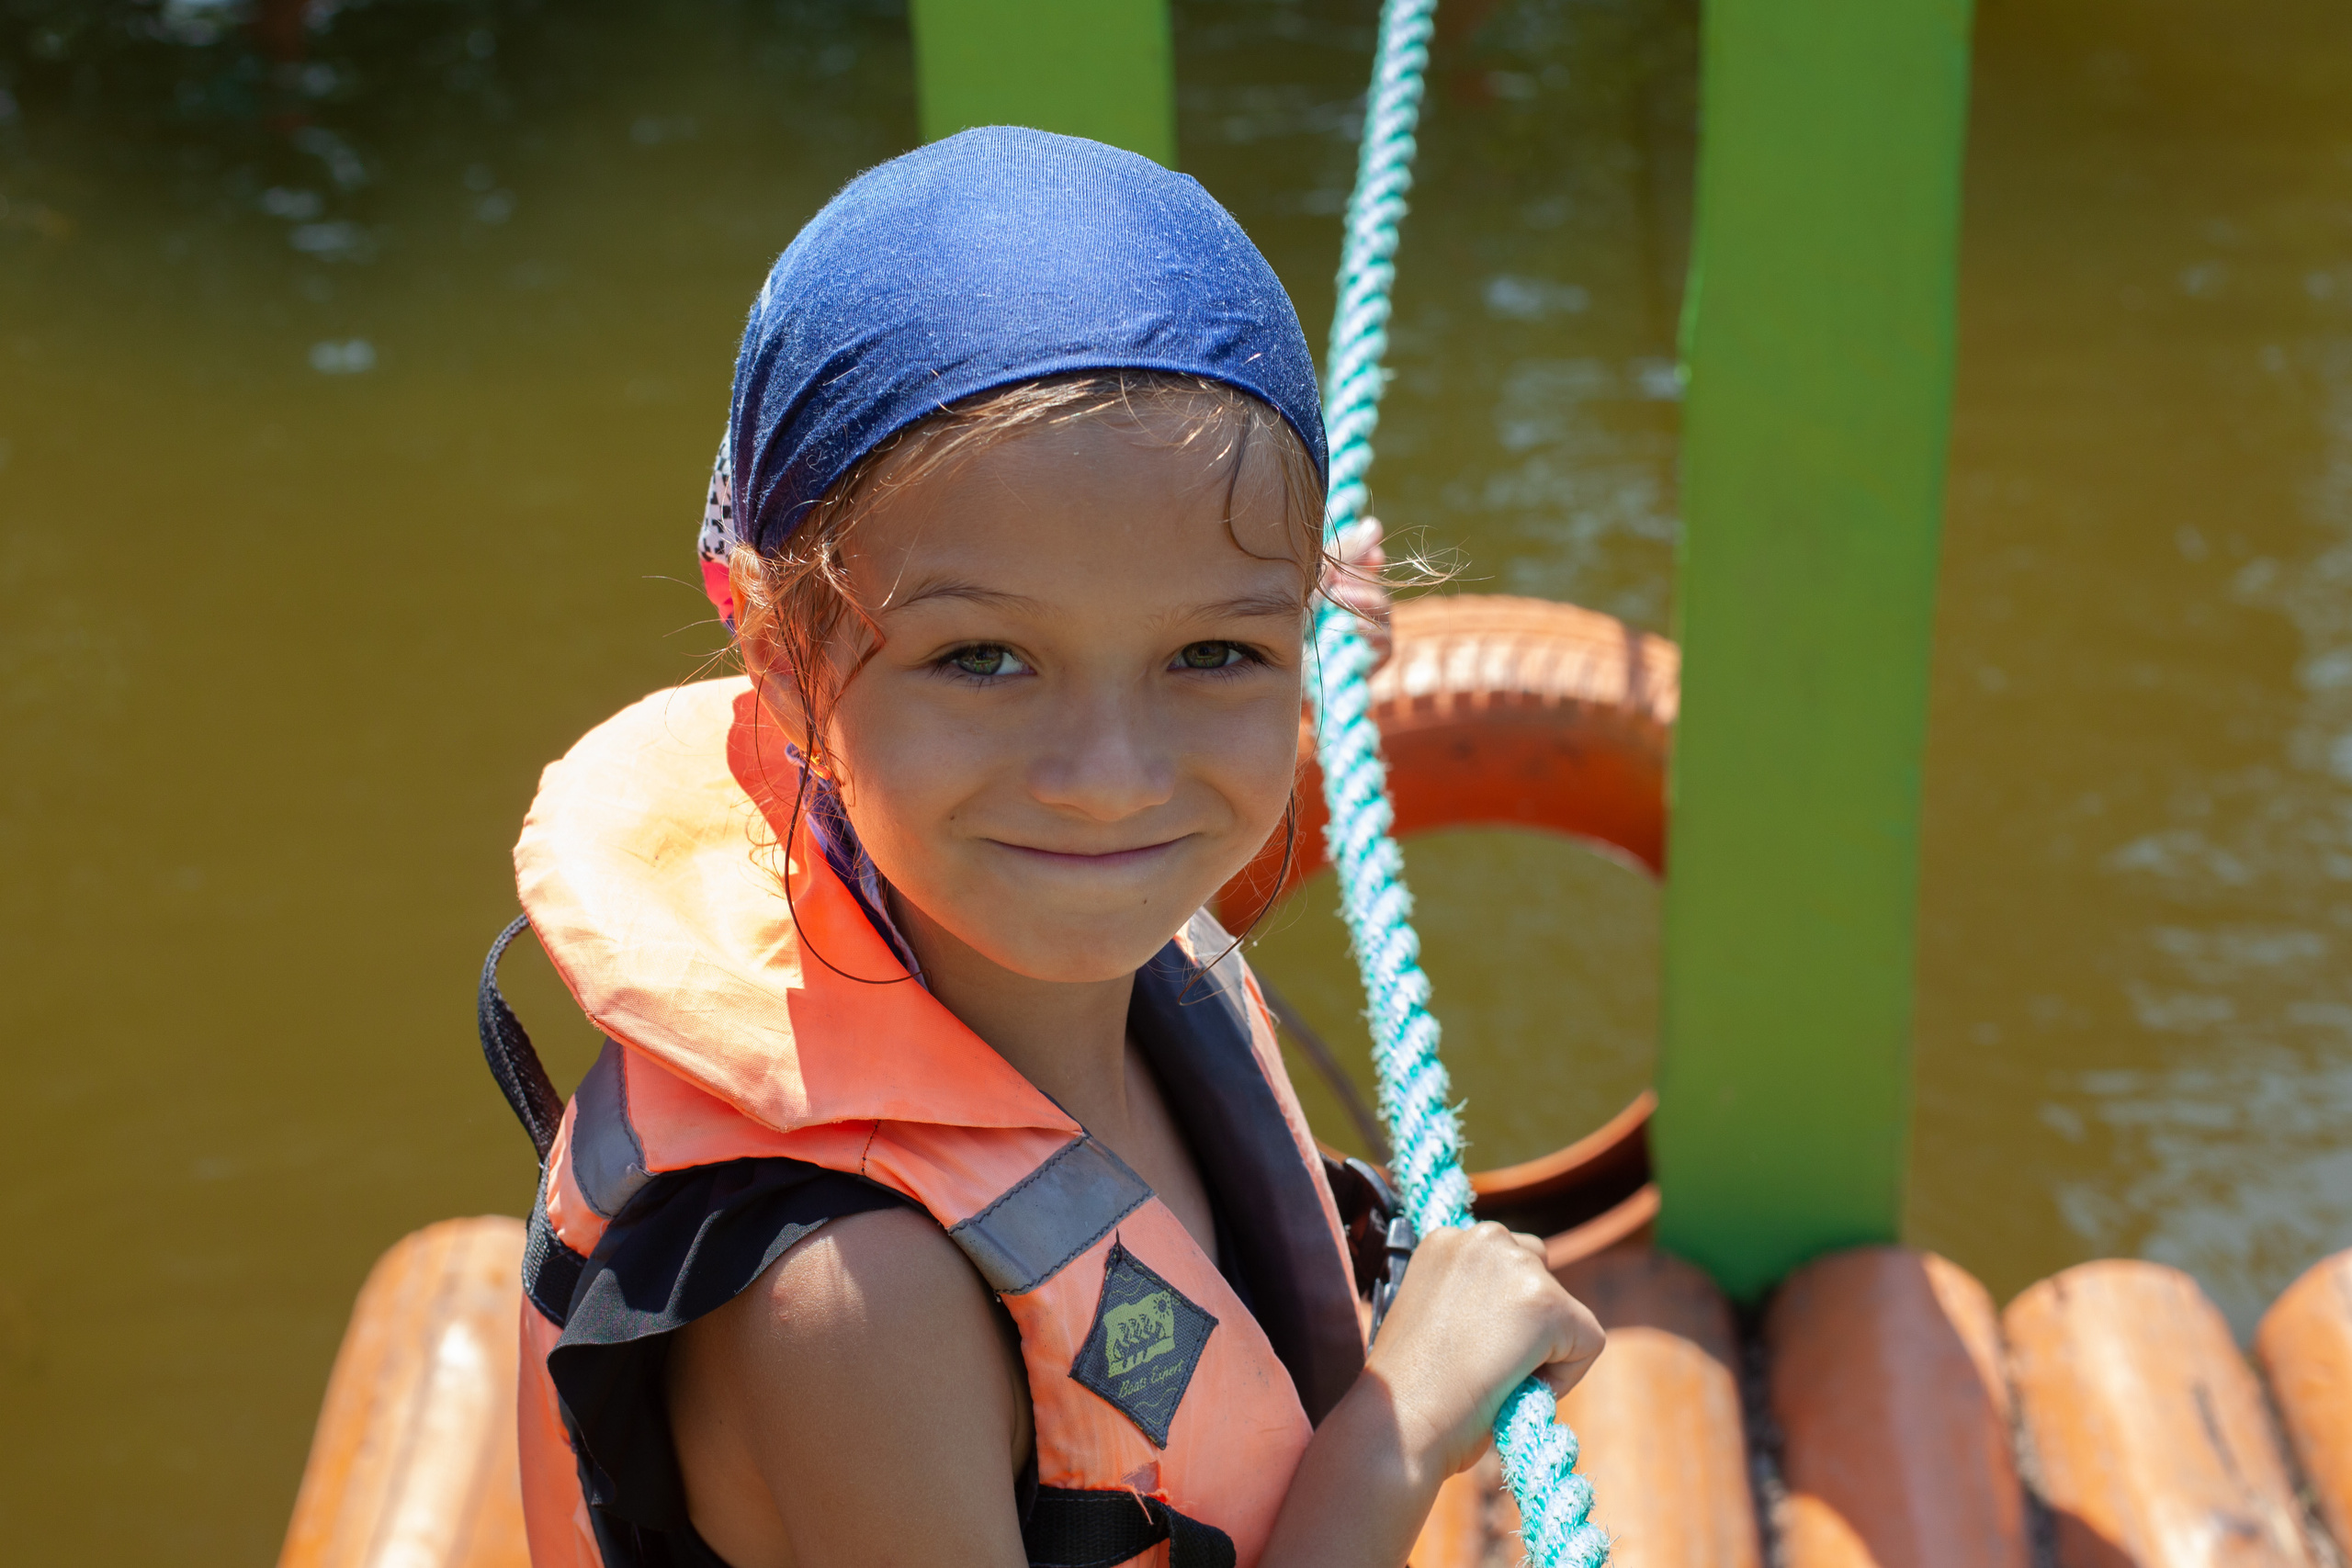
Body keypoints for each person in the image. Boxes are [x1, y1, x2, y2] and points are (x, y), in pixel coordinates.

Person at [500, 126, 1603, 1568]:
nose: (1108, 781)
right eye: (983, 661)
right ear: (782, 663)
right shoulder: (853, 1297)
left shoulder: (1053, 900)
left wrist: (1259, 643)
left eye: (1211, 652)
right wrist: (1400, 1432)